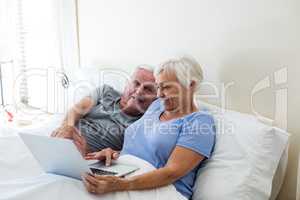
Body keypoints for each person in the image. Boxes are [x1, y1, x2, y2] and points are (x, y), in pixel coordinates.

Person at [82, 56, 216, 200]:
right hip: (124, 174)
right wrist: (114, 154)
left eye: (166, 87)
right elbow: (141, 149)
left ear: (191, 85)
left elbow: (172, 172)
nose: (159, 94)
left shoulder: (200, 123)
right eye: (158, 87)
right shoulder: (156, 106)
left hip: (161, 189)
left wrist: (120, 184)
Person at [51, 65, 157, 155]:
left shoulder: (143, 122)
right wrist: (67, 126)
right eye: (136, 83)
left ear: (154, 98)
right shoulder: (106, 92)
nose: (138, 91)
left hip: (85, 157)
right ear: (127, 84)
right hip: (62, 139)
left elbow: (134, 153)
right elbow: (78, 109)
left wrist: (114, 154)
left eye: (147, 89)